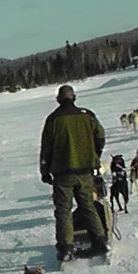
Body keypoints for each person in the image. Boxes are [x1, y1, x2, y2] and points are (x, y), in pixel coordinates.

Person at [39, 85, 107, 261]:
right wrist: (94, 156)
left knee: (63, 210)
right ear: (74, 98)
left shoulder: (53, 119)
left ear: (59, 100)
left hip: (63, 173)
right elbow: (100, 137)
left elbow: (46, 147)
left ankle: (66, 247)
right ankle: (100, 240)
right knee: (88, 205)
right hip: (85, 170)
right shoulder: (87, 115)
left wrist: (45, 171)